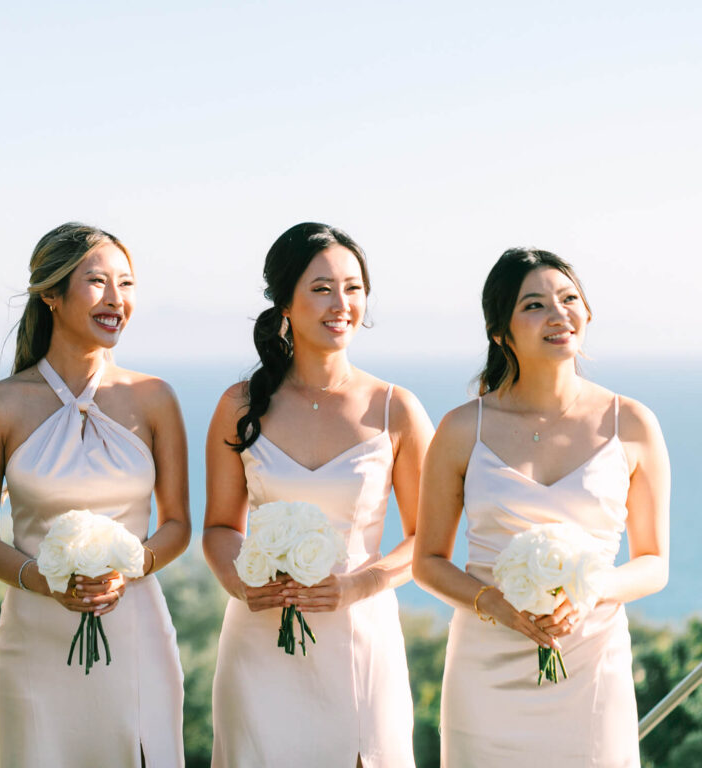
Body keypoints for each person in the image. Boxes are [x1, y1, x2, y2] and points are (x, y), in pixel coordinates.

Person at [413, 248, 670, 766]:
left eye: (569, 299)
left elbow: (654, 563)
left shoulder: (633, 423)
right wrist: (495, 604)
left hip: (591, 665)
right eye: (534, 305)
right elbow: (428, 562)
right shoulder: (464, 428)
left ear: (587, 314)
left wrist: (594, 588)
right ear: (500, 332)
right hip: (485, 673)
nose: (558, 314)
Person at [203, 222, 433, 767]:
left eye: (353, 288)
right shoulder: (240, 405)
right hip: (257, 644)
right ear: (285, 301)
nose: (342, 303)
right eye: (322, 287)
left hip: (359, 642)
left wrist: (358, 585)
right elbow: (218, 528)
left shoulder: (394, 408)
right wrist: (239, 581)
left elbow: (428, 540)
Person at [0, 222, 190, 766]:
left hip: (137, 635)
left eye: (127, 284)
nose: (116, 299)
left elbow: (179, 523)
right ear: (51, 294)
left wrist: (128, 568)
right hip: (34, 641)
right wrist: (39, 578)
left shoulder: (155, 398)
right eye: (97, 282)